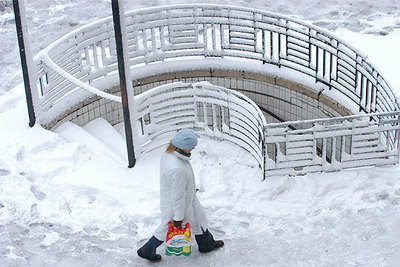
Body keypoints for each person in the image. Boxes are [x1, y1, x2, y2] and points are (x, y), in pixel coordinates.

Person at [137, 128, 224, 262]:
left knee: (198, 220)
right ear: (183, 147)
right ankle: (147, 250)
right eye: (191, 146)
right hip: (178, 205)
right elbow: (178, 196)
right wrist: (178, 217)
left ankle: (206, 244)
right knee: (169, 227)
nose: (194, 148)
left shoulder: (169, 153)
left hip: (183, 199)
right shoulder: (177, 169)